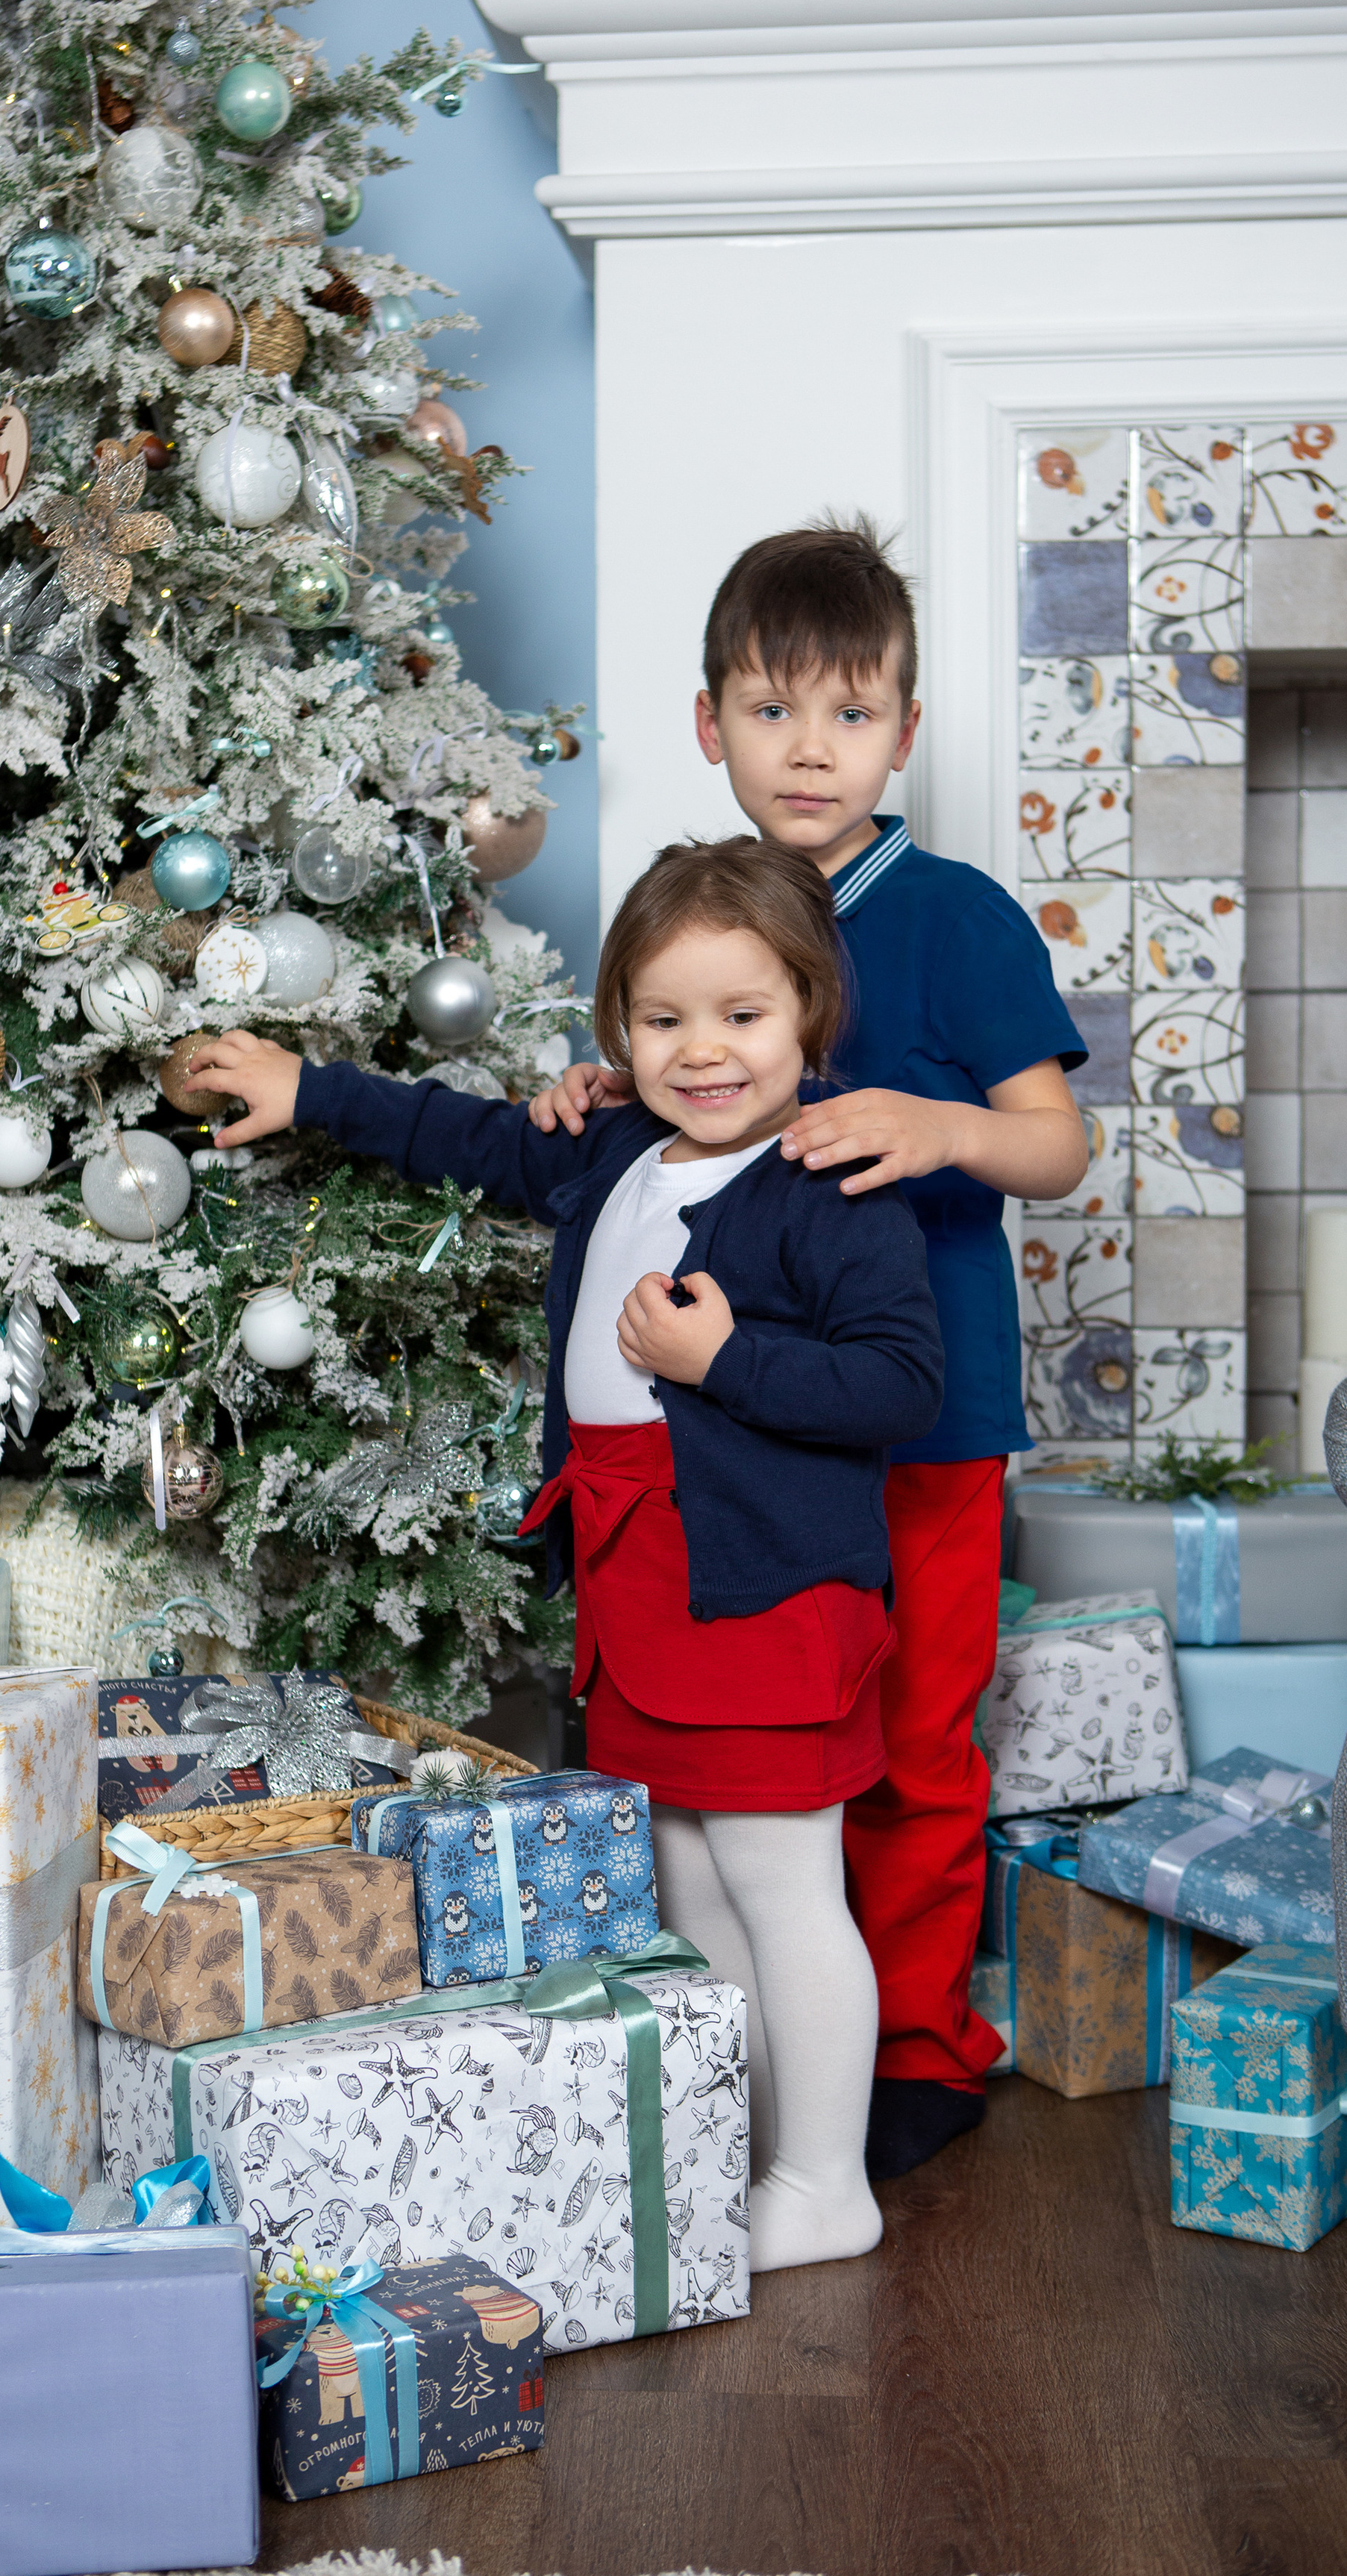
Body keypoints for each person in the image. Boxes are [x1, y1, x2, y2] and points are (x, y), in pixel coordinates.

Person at [186, 837, 943, 2272]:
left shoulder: (830, 1186)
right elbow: (468, 1137)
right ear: (617, 1032)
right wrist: (308, 1091)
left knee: (788, 1883)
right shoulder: (614, 1147)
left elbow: (902, 1385)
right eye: (663, 1020)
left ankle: (830, 2178)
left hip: (765, 1583)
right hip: (639, 1568)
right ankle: (759, 2145)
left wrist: (728, 1357)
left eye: (742, 1016)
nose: (702, 1050)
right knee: (690, 1879)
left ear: (810, 1019)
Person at [530, 516, 1090, 2180]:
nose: (808, 749)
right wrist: (585, 1091)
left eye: (847, 715)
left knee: (912, 1737)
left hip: (920, 1416)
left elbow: (1054, 1148)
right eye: (771, 712)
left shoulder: (960, 917)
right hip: (736, 1440)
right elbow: (660, 1111)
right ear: (709, 725)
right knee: (759, 1763)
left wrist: (938, 1123)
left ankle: (914, 2045)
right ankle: (769, 2071)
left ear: (903, 734)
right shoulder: (705, 923)